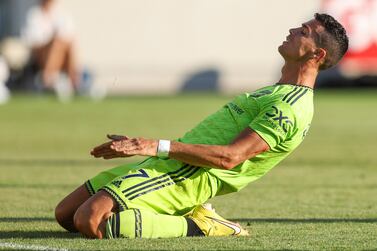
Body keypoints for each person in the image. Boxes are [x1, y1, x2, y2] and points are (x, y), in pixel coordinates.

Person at [55, 13, 348, 239]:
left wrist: (155, 145)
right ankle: (174, 210)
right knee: (65, 214)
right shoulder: (275, 91)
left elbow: (230, 157)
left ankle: (198, 225)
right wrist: (155, 151)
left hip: (191, 175)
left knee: (90, 220)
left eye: (304, 32)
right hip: (170, 163)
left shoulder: (291, 107)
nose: (293, 31)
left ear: (317, 55)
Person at [23, 0, 79, 95]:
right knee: (56, 43)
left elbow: (69, 38)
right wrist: (52, 42)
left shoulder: (62, 14)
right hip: (40, 57)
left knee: (66, 44)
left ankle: (73, 81)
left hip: (61, 57)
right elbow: (32, 42)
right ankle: (48, 80)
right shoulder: (34, 14)